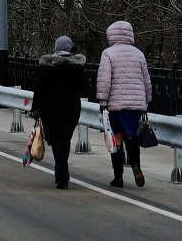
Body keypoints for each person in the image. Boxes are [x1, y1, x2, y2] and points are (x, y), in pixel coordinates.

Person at [96, 21, 152, 188]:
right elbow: (146, 79)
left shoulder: (108, 53)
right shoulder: (139, 54)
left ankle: (118, 176)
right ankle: (135, 165)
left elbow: (104, 80)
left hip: (116, 104)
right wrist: (147, 99)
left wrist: (103, 101)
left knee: (117, 139)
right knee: (132, 135)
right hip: (136, 105)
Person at [29, 36, 87, 189]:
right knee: (65, 139)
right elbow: (83, 87)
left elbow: (40, 88)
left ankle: (63, 175)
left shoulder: (48, 66)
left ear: (56, 47)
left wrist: (36, 108)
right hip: (72, 108)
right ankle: (60, 172)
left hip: (51, 108)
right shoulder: (77, 67)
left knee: (56, 141)